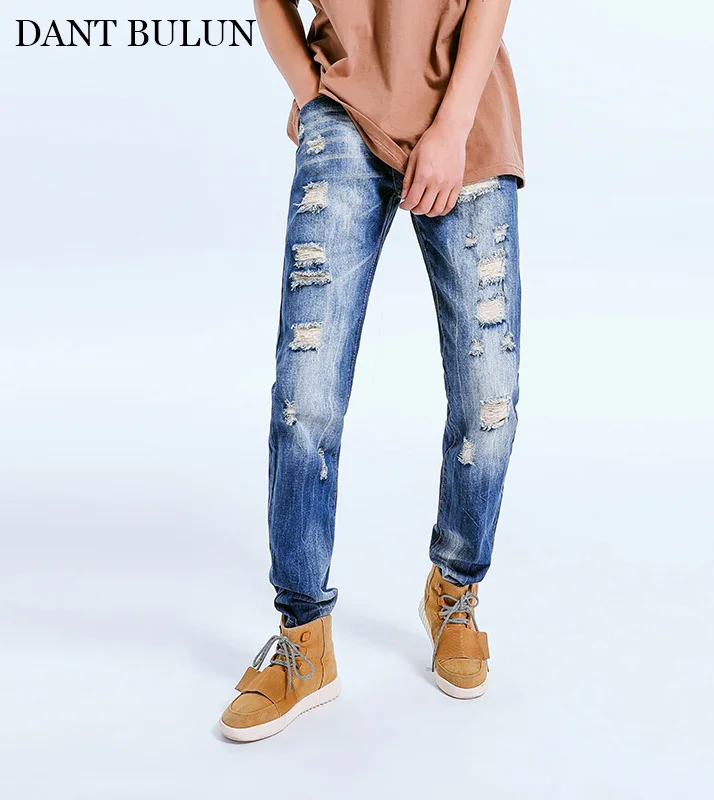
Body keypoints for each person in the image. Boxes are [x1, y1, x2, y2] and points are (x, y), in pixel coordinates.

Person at [219, 0, 524, 742]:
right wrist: (310, 93)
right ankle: (304, 639)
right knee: (306, 394)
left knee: (488, 398)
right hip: (344, 114)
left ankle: (454, 589)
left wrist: (451, 126)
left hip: (465, 112)